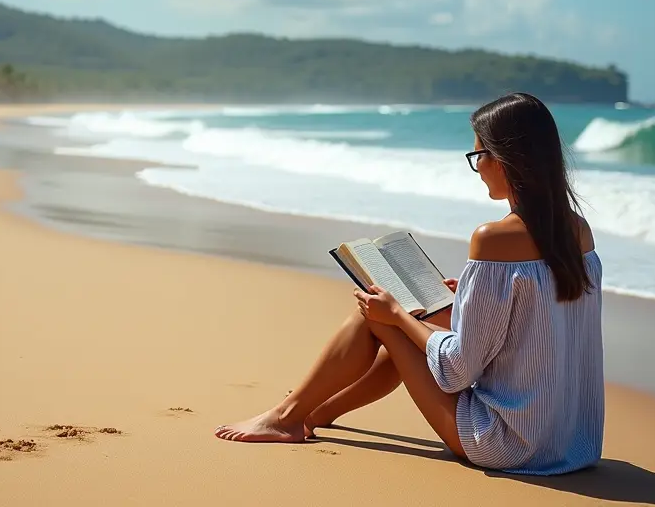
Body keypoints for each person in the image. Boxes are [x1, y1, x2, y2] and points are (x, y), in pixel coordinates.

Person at [215, 92, 604, 475]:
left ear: (502, 160)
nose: (478, 168)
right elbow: (539, 324)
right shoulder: (579, 231)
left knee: (377, 316)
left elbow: (458, 370)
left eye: (477, 157)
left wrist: (399, 315)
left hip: (508, 443)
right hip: (571, 441)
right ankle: (316, 413)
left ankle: (285, 417)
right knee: (417, 315)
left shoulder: (494, 238)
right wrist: (465, 297)